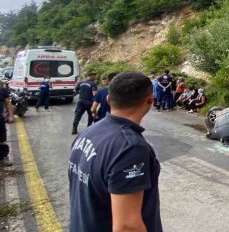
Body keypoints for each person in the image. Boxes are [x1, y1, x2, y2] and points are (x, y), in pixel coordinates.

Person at [68, 71, 162, 232]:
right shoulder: (130, 148)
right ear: (150, 100)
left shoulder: (88, 133)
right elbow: (127, 226)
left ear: (108, 99)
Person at [0, 80, 14, 167]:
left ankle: (3, 157)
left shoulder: (3, 90)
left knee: (2, 139)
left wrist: (11, 115)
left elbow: (8, 103)